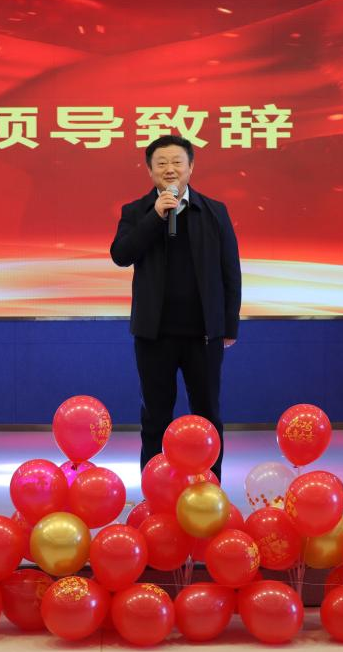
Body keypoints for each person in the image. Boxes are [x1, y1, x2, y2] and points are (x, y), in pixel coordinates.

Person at [110, 135, 241, 480]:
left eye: (177, 162)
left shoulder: (214, 211)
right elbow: (121, 255)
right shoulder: (136, 211)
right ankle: (155, 489)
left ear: (191, 167)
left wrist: (229, 325)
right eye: (162, 163)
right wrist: (155, 217)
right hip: (154, 334)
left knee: (207, 414)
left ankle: (210, 488)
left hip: (204, 333)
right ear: (150, 170)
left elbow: (230, 270)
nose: (170, 169)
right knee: (155, 416)